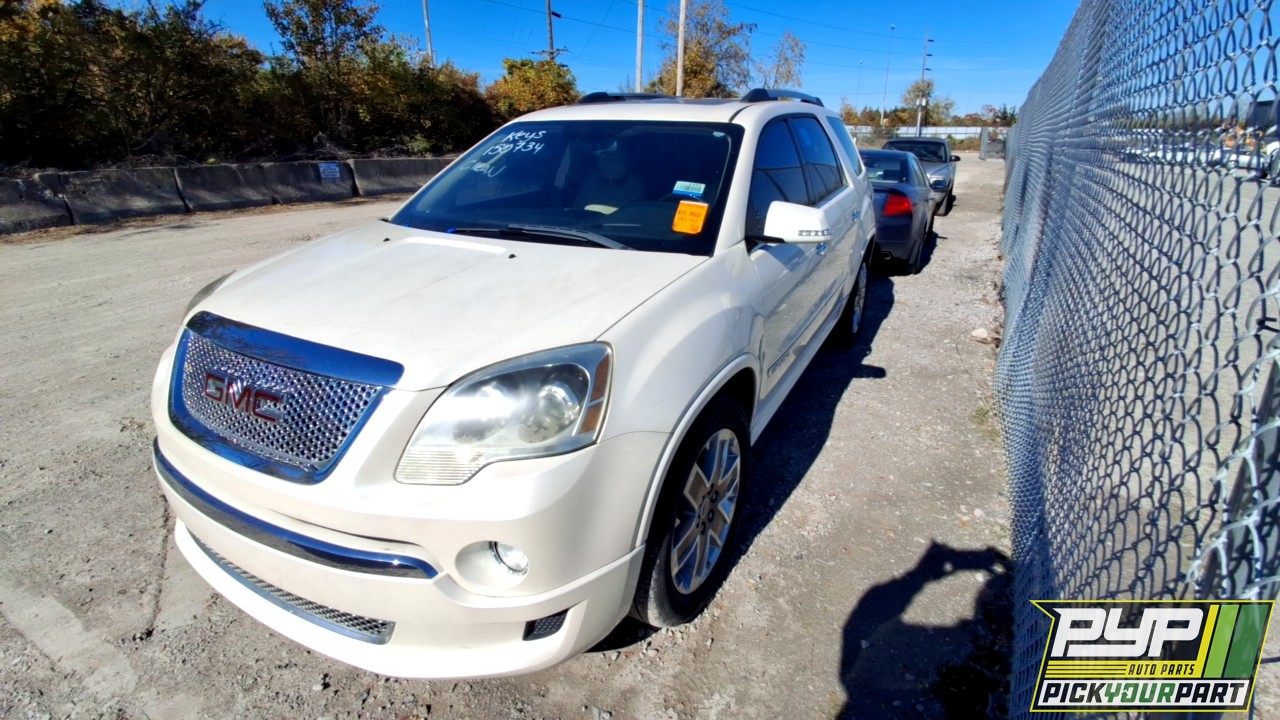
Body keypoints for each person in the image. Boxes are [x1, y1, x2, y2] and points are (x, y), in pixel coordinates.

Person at [574, 140, 643, 213]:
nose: (609, 162)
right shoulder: (590, 181)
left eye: (614, 158)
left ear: (627, 160)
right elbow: (576, 212)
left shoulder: (634, 184)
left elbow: (636, 215)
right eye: (605, 157)